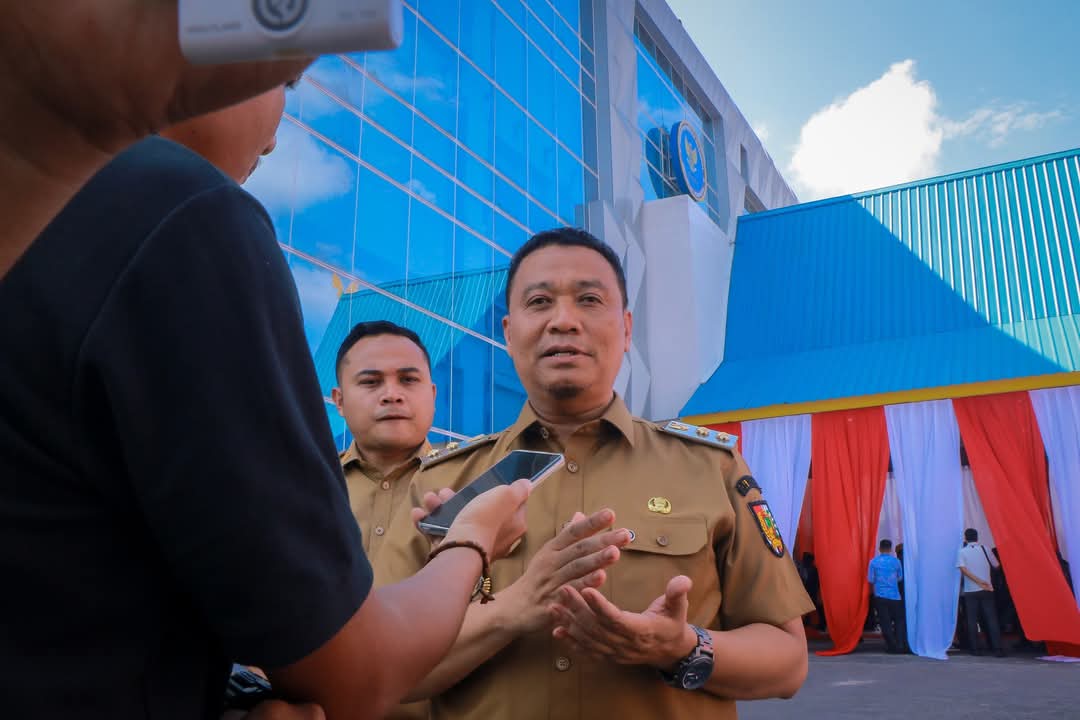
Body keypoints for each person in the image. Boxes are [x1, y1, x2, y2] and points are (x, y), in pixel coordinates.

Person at [0, 4, 534, 717]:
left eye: (410, 378)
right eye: (287, 87)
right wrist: (472, 539)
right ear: (333, 399)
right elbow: (353, 671)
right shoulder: (183, 214)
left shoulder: (40, 212)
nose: (279, 136)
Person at [377, 227, 814, 719]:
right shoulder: (441, 485)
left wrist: (680, 647)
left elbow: (787, 661)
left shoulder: (710, 467)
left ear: (627, 329)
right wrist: (510, 611)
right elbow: (375, 670)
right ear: (507, 331)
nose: (563, 321)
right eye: (539, 302)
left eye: (589, 299)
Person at [333, 321, 439, 561]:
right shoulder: (311, 485)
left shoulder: (471, 481)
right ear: (339, 401)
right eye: (371, 382)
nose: (392, 395)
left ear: (432, 395)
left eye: (408, 379)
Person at [956, 528, 1005, 657]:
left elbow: (963, 569)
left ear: (965, 538)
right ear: (977, 537)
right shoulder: (986, 549)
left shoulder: (962, 552)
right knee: (991, 619)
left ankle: (975, 649)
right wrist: (983, 580)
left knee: (972, 620)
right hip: (987, 588)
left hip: (971, 590)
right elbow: (996, 565)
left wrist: (977, 581)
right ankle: (998, 648)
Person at [868, 539, 906, 654]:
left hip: (880, 595)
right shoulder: (896, 562)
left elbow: (870, 579)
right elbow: (900, 577)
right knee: (899, 621)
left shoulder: (873, 562)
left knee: (885, 622)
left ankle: (891, 646)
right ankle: (900, 644)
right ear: (890, 549)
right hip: (895, 596)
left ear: (879, 549)